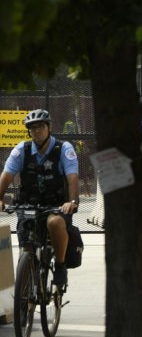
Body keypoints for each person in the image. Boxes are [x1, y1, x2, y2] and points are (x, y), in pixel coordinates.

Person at [0, 109, 80, 290]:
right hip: (28, 205)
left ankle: (60, 266)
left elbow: (73, 178)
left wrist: (72, 202)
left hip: (56, 206)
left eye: (41, 126)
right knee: (26, 239)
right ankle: (25, 288)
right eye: (32, 128)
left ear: (49, 127)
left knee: (54, 223)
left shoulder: (63, 149)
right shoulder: (22, 149)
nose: (36, 131)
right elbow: (6, 176)